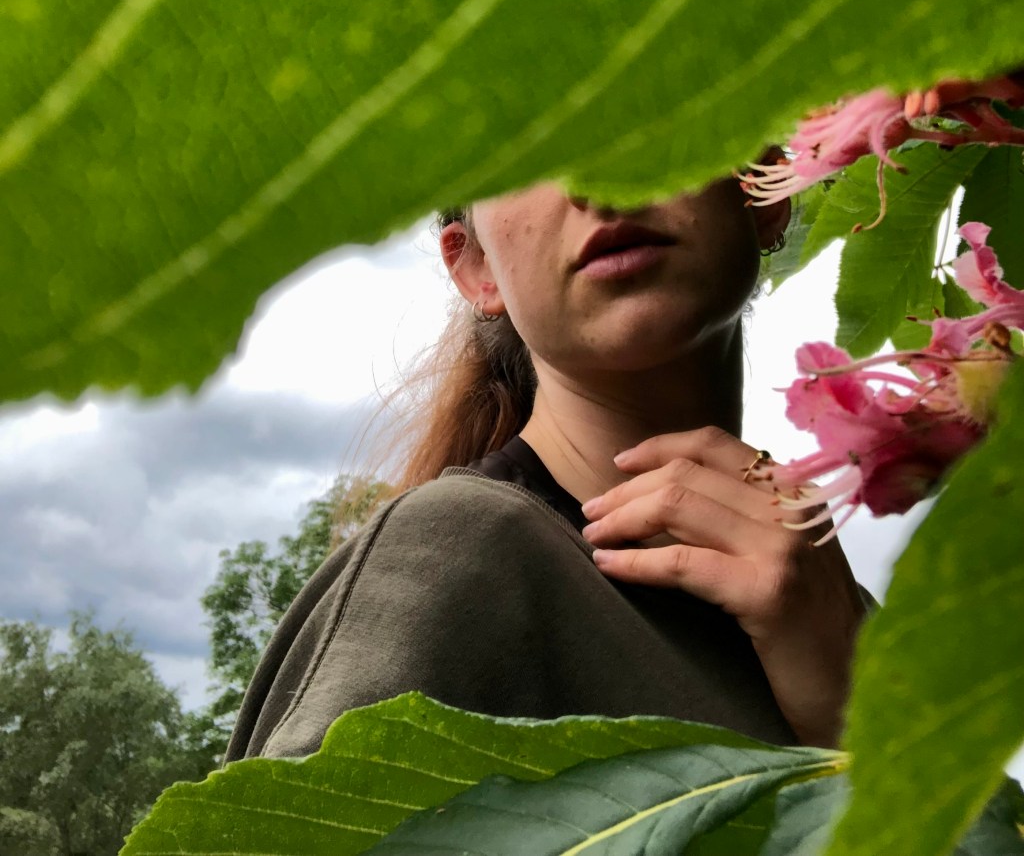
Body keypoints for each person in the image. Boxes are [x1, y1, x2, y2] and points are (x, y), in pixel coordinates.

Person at [225, 172, 871, 762]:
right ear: (477, 268)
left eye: (644, 107)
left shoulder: (837, 609)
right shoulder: (457, 549)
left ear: (765, 185)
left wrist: (855, 714)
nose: (596, 182)